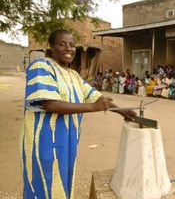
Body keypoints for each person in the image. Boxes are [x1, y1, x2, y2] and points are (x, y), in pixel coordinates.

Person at [21, 29, 136, 199]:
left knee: (63, 178)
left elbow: (96, 96)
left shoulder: (74, 75)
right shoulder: (41, 66)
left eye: (72, 45)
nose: (69, 48)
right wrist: (92, 107)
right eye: (62, 44)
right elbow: (50, 103)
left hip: (67, 140)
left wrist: (121, 111)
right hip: (44, 140)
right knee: (44, 182)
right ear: (51, 47)